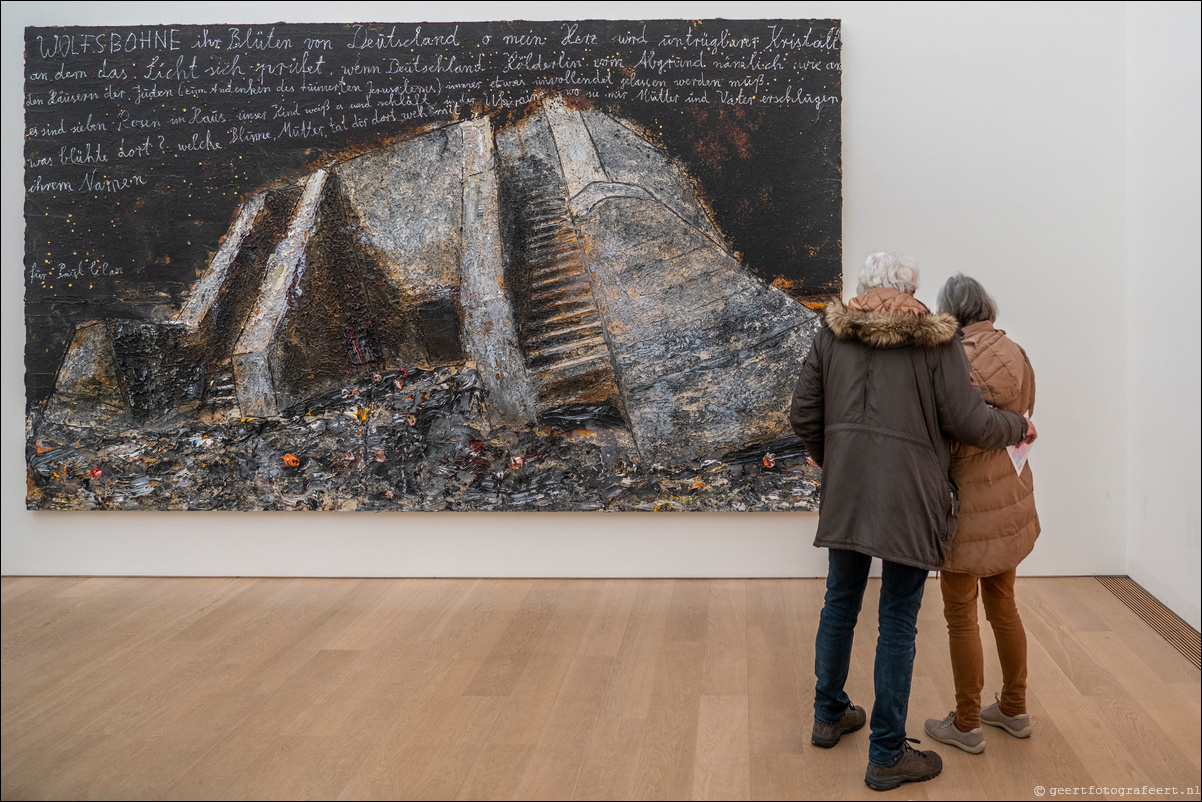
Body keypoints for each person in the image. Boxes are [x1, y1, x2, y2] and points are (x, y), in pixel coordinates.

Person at [790, 253, 1036, 792]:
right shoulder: (935, 340)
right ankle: (886, 754)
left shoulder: (831, 335)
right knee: (897, 621)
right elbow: (967, 421)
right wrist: (1017, 424)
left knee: (839, 603)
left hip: (848, 492)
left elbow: (803, 414)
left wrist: (837, 460)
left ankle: (828, 715)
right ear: (912, 290)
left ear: (863, 287)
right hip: (912, 498)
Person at [923, 273, 1039, 754]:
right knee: (1004, 605)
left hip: (965, 505)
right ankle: (1013, 708)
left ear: (949, 312)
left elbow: (953, 427)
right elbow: (1025, 417)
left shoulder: (955, 360)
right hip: (1010, 498)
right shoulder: (1016, 352)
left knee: (960, 616)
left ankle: (966, 723)